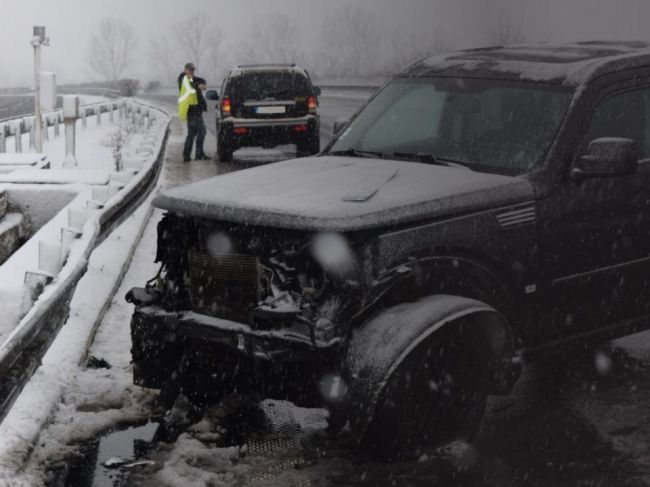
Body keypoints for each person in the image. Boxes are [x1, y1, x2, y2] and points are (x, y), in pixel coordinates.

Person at [178, 63, 209, 162]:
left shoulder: (191, 78)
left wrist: (203, 83)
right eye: (190, 70)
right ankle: (198, 154)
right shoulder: (183, 79)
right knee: (202, 131)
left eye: (193, 70)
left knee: (191, 134)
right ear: (185, 70)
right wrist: (199, 85)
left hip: (196, 110)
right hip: (191, 110)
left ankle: (187, 155)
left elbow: (200, 80)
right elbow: (192, 86)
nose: (192, 72)